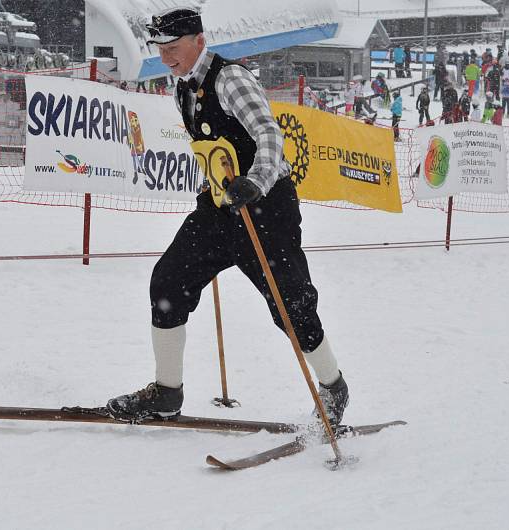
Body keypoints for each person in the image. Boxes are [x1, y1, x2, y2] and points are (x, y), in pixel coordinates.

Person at [105, 7, 350, 425]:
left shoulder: (230, 79)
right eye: (160, 49)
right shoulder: (182, 84)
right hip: (220, 208)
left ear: (199, 41)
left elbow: (269, 134)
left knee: (291, 305)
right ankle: (166, 392)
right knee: (168, 282)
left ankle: (333, 387)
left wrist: (254, 181)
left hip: (265, 206)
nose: (166, 57)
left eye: (174, 48)